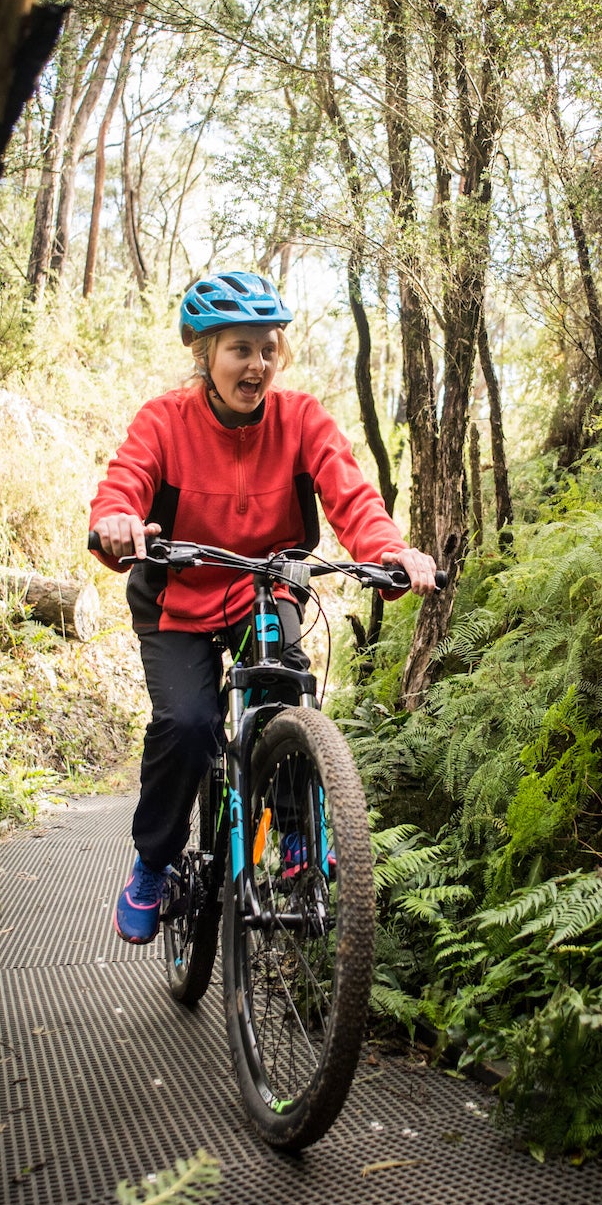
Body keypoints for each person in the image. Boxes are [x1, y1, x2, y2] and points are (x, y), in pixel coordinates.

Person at [88, 270, 438, 944]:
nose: (257, 365)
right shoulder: (165, 420)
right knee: (189, 724)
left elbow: (352, 495)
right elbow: (124, 481)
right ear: (206, 355)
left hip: (264, 585)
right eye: (240, 349)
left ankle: (300, 837)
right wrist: (117, 522)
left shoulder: (301, 418)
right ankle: (154, 861)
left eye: (268, 349)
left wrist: (389, 554)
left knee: (282, 687)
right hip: (178, 597)